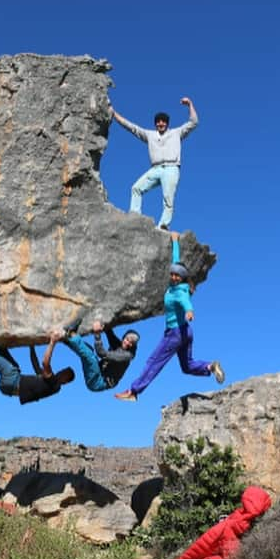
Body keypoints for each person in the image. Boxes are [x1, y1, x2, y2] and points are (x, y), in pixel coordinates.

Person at [115, 232, 224, 401]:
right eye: (172, 274)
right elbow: (175, 260)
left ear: (182, 278)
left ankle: (134, 391)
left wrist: (189, 311)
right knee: (187, 366)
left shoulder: (180, 292)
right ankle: (210, 367)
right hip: (186, 332)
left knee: (154, 362)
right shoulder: (174, 285)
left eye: (177, 276)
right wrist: (175, 242)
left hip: (175, 333)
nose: (173, 277)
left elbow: (186, 302)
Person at [111, 96, 199, 229]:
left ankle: (163, 225)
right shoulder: (150, 135)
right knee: (136, 188)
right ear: (155, 124)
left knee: (168, 200)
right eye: (158, 122)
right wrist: (114, 114)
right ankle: (135, 217)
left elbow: (193, 122)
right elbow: (132, 128)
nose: (160, 124)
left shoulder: (176, 133)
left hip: (171, 168)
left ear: (167, 123)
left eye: (163, 122)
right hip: (156, 169)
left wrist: (190, 105)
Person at [0, 327, 75, 404]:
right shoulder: (50, 383)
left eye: (65, 373)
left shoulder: (55, 384)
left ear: (66, 381)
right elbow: (36, 366)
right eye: (64, 370)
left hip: (12, 381)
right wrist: (31, 346)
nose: (61, 371)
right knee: (2, 350)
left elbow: (45, 363)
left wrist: (52, 342)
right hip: (11, 383)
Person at [57, 316, 139, 392]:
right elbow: (109, 332)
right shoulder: (118, 344)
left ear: (133, 346)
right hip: (100, 372)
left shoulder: (126, 356)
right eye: (127, 339)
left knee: (89, 357)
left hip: (98, 382)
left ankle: (69, 334)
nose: (127, 343)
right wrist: (102, 318)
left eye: (131, 343)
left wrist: (97, 334)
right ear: (124, 337)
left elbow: (101, 353)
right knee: (88, 349)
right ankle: (66, 340)